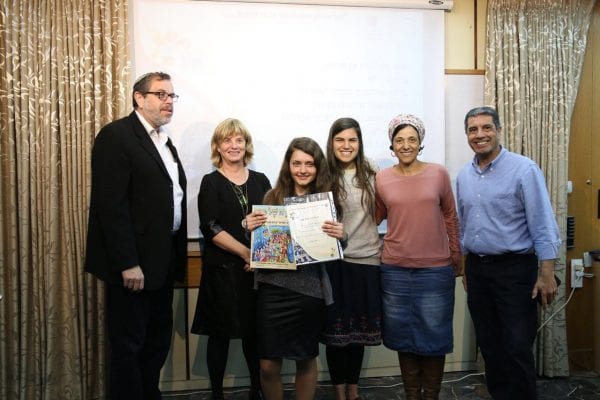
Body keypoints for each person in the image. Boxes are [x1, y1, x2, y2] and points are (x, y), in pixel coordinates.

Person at [85, 72, 187, 400]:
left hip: (162, 261)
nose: (168, 101)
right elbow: (110, 206)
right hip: (134, 267)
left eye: (172, 96)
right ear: (138, 98)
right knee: (129, 347)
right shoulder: (117, 135)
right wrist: (128, 262)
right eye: (161, 94)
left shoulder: (164, 140)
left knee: (156, 343)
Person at [456, 106, 560, 400]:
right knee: (489, 345)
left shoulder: (524, 169)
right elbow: (465, 225)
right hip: (478, 270)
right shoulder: (464, 175)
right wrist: (466, 268)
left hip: (515, 270)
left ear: (499, 130)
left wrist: (547, 274)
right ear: (467, 135)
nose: (480, 135)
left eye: (486, 128)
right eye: (473, 130)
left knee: (516, 346)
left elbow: (542, 223)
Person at [375, 114, 461, 400]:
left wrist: (456, 256)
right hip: (394, 269)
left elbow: (450, 215)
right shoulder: (382, 178)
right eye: (399, 140)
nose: (406, 145)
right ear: (392, 145)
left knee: (434, 337)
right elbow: (373, 219)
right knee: (403, 336)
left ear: (421, 142)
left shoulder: (438, 173)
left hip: (435, 270)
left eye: (412, 139)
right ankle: (412, 395)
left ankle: (430, 395)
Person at [254, 137, 345, 400]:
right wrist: (249, 227)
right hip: (273, 290)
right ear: (288, 166)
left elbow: (332, 248)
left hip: (309, 293)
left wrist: (342, 235)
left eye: (309, 164)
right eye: (297, 163)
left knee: (305, 359)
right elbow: (263, 243)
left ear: (318, 168)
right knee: (268, 364)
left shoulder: (327, 202)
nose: (303, 169)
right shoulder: (272, 197)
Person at [191, 118, 271, 400]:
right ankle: (216, 393)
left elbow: (273, 224)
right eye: (227, 140)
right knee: (219, 336)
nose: (234, 145)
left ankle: (257, 389)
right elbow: (211, 228)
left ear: (246, 145)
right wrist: (245, 250)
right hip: (222, 272)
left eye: (239, 140)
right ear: (218, 147)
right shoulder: (210, 182)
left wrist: (259, 258)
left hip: (257, 271)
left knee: (255, 335)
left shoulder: (262, 180)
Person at [321, 118, 382, 400]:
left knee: (358, 333)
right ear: (332, 143)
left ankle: (354, 389)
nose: (346, 146)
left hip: (367, 260)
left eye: (352, 140)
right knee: (336, 335)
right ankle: (339, 392)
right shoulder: (322, 175)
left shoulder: (373, 174)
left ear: (360, 142)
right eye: (340, 140)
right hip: (333, 264)